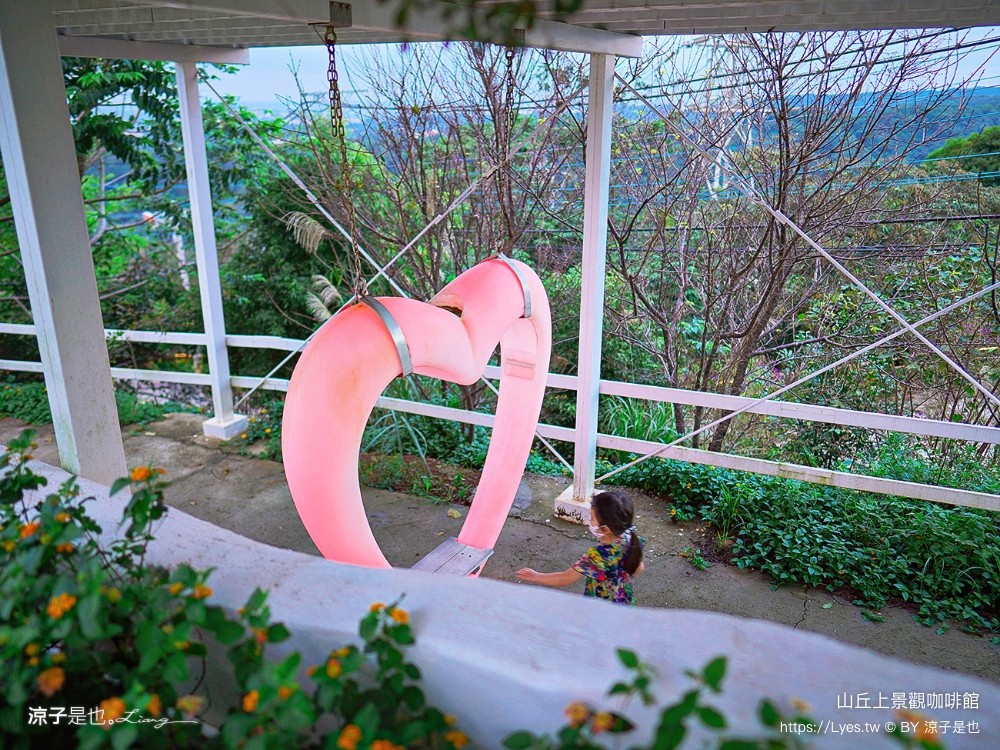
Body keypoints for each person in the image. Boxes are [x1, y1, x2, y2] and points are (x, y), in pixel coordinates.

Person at [515, 490, 644, 605]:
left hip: (600, 607)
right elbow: (639, 568)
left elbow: (564, 579)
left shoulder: (597, 555)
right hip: (623, 602)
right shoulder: (631, 538)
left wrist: (536, 576)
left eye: (592, 518)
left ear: (605, 529)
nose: (589, 521)